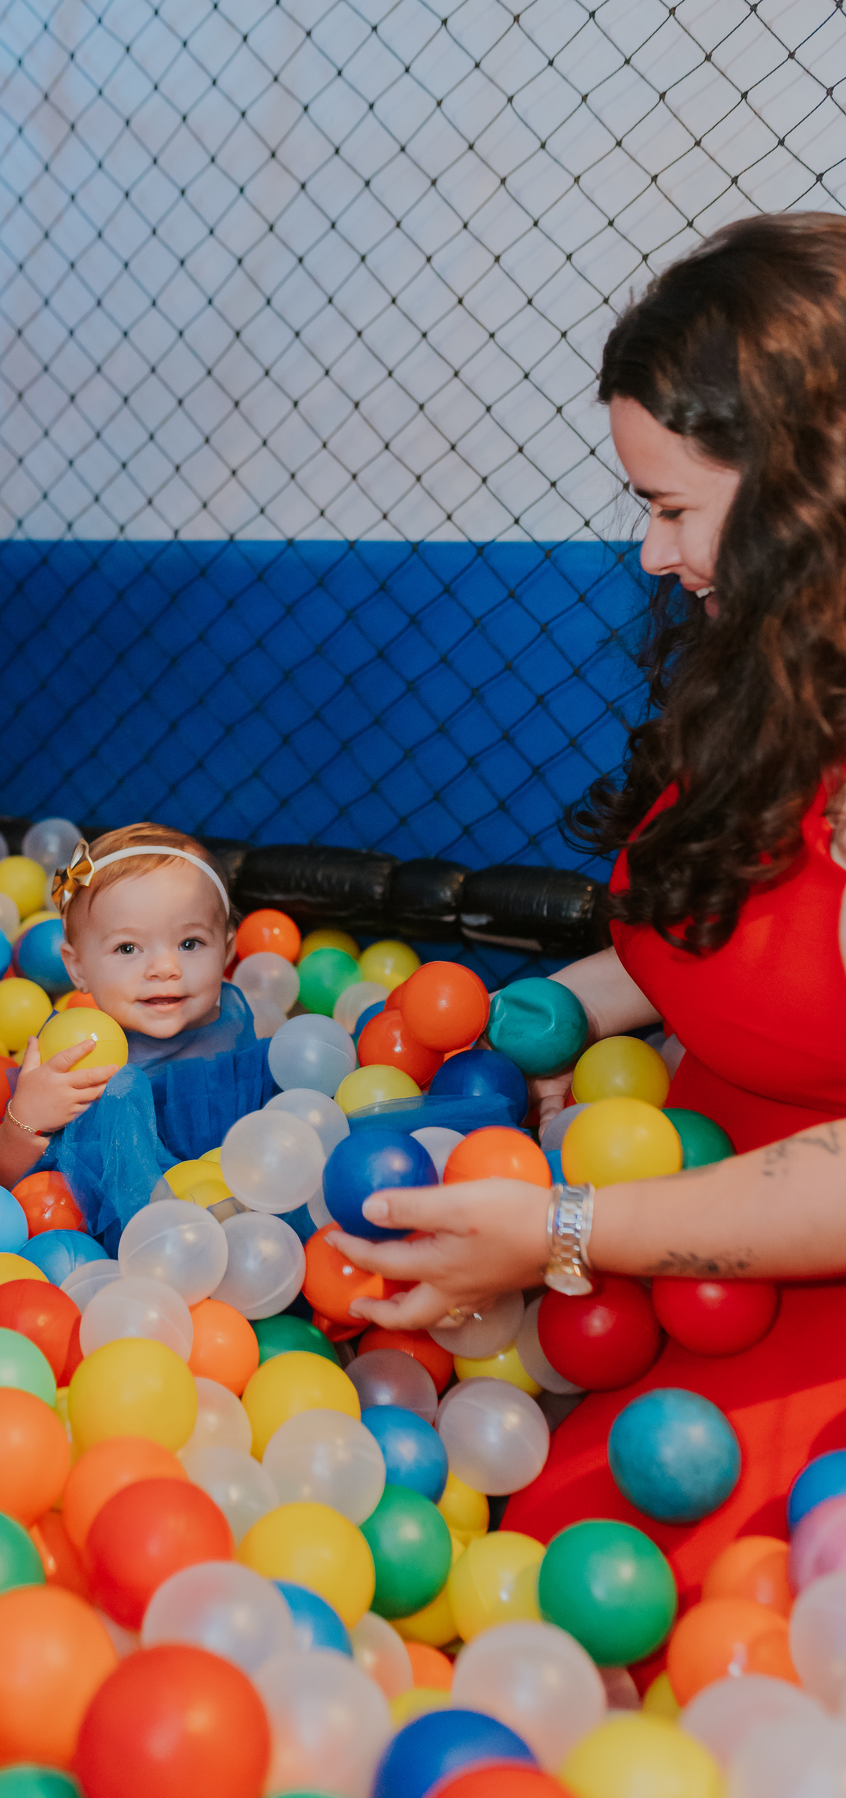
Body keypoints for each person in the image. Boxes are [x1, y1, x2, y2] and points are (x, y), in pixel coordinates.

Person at [327, 212, 846, 1585]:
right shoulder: (770, 677)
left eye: (675, 507)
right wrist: (532, 1016)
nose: (654, 557)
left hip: (794, 1286)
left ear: (813, 494)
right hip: (676, 1217)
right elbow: (726, 933)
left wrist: (562, 1230)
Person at [0, 824, 274, 1240]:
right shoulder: (73, 1051)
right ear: (78, 968)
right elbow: (9, 1177)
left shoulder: (231, 1018)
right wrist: (27, 1119)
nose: (164, 968)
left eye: (190, 943)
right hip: (134, 1240)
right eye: (127, 948)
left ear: (227, 951)